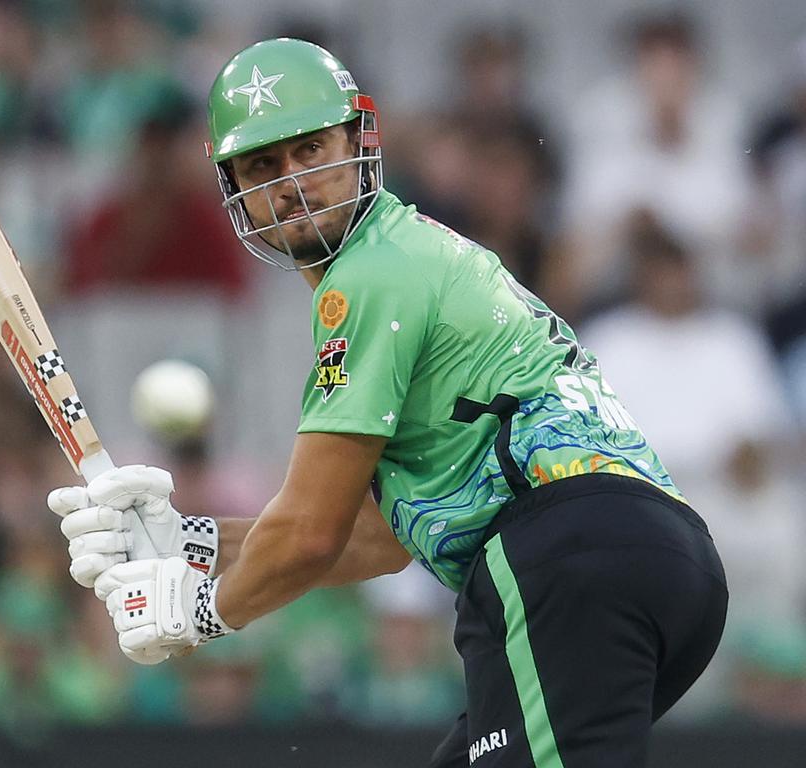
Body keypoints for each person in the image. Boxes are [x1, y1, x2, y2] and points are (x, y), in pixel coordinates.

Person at [47, 38, 728, 767]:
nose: (292, 183)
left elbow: (307, 533)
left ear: (359, 141)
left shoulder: (367, 281)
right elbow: (375, 539)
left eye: (310, 149)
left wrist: (199, 613)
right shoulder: (412, 256)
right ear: (232, 187)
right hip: (657, 559)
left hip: (562, 557)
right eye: (263, 166)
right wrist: (192, 541)